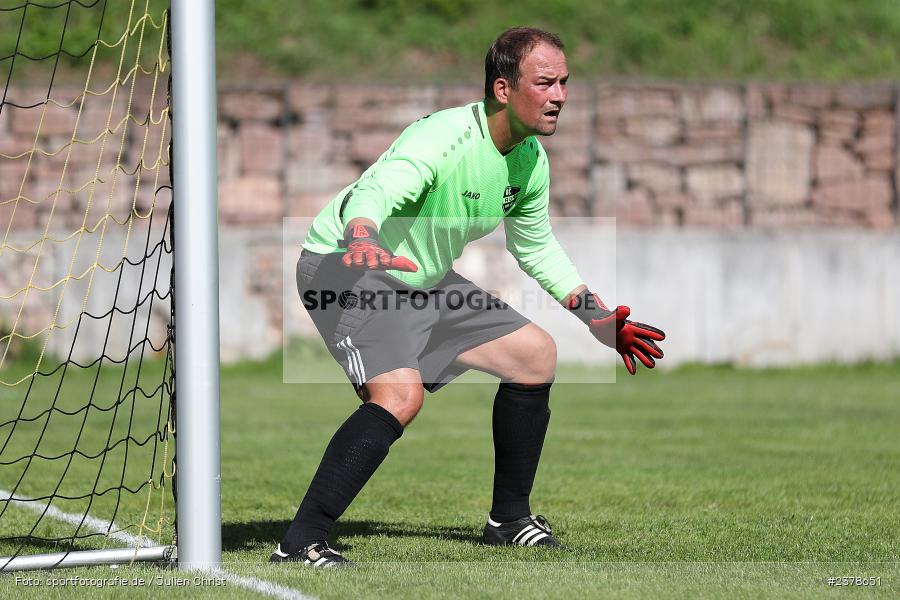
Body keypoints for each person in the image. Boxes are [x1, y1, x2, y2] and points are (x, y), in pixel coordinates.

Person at [271, 27, 666, 567]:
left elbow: (536, 246)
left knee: (534, 355)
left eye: (565, 83)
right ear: (503, 89)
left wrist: (596, 316)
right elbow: (379, 188)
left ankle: (509, 520)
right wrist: (363, 232)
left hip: (422, 279)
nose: (560, 96)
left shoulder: (528, 159)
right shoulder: (445, 137)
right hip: (347, 268)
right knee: (400, 398)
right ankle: (300, 542)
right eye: (546, 82)